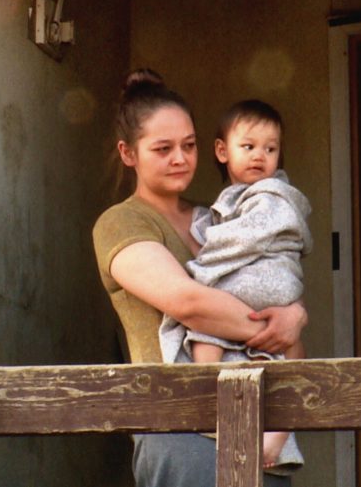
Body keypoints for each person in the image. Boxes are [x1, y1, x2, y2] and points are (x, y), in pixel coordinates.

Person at [93, 69, 306, 487]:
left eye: (188, 146)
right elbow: (188, 303)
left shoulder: (221, 219)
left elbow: (274, 276)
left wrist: (296, 315)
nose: (180, 158)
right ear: (128, 152)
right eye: (163, 148)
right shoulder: (120, 223)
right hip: (180, 429)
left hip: (259, 420)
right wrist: (281, 324)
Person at [159, 99, 310, 472]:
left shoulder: (270, 195)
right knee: (283, 362)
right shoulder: (237, 197)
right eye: (249, 146)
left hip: (265, 281)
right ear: (222, 151)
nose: (260, 156)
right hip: (274, 290)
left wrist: (202, 266)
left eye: (270, 149)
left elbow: (243, 240)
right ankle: (274, 440)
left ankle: (210, 401)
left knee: (202, 331)